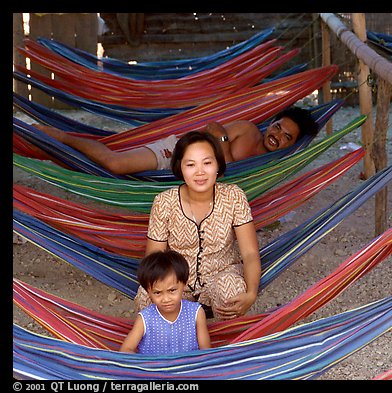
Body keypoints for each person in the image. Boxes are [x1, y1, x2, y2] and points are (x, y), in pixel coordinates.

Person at [134, 130, 262, 321]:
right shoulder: (164, 202)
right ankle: (173, 342)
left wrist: (251, 293)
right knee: (146, 297)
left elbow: (250, 253)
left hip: (222, 274)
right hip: (177, 280)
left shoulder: (234, 196)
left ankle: (227, 346)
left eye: (207, 163)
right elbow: (154, 257)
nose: (200, 172)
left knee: (231, 292)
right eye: (191, 164)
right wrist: (168, 289)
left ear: (218, 165)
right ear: (180, 168)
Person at [33, 106, 319, 175]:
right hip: (178, 151)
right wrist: (225, 150)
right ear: (272, 123)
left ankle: (59, 151)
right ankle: (61, 138)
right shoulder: (249, 130)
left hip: (187, 182)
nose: (277, 135)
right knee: (114, 164)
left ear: (293, 145)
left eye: (286, 137)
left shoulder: (273, 165)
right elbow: (213, 125)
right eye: (278, 126)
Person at [120, 249, 211, 354]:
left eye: (172, 290)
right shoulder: (145, 319)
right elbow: (125, 350)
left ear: (184, 285)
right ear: (148, 292)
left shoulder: (196, 313)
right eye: (157, 293)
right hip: (154, 369)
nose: (166, 299)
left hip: (188, 368)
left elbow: (206, 351)